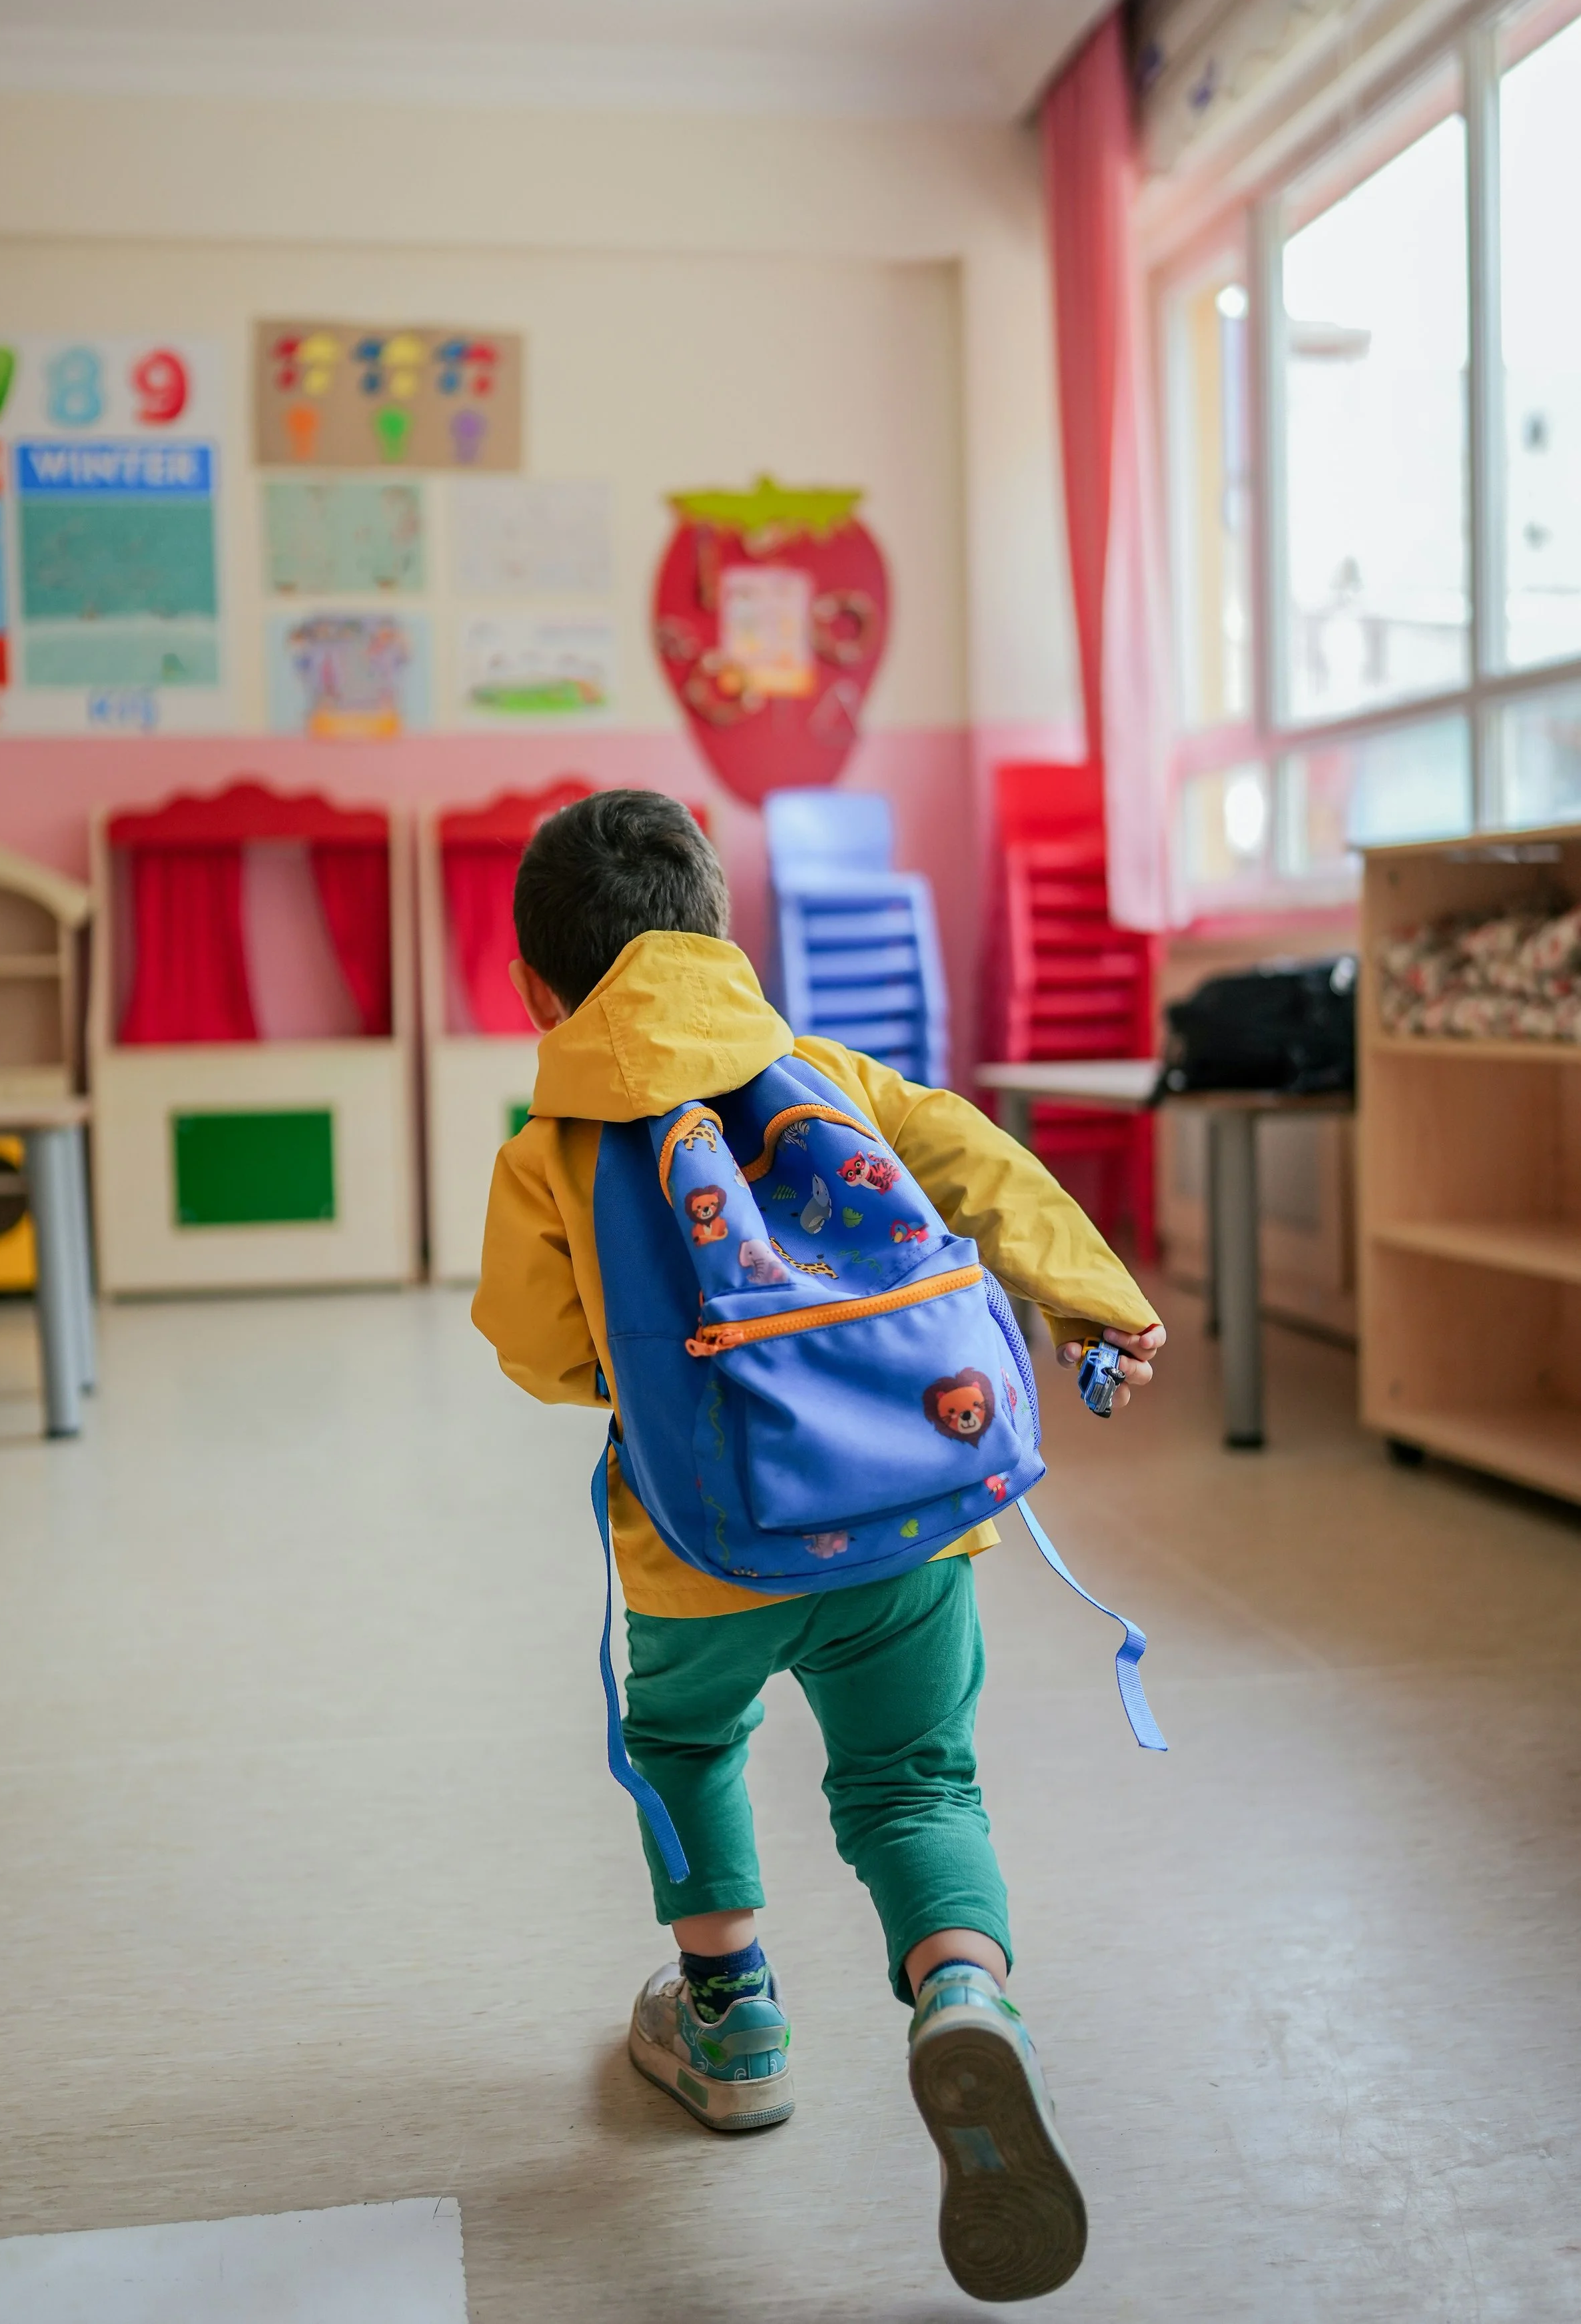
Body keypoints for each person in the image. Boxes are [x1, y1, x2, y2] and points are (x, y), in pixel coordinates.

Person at [472, 789, 1165, 2303]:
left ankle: (729, 2027)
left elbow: (531, 1347)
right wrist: (1102, 1302)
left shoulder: (552, 1147)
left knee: (682, 1743)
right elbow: (988, 1172)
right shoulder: (830, 1073)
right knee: (912, 1777)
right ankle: (962, 1996)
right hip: (911, 1529)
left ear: (537, 991)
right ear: (722, 935)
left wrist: (640, 1370)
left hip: (700, 1547)